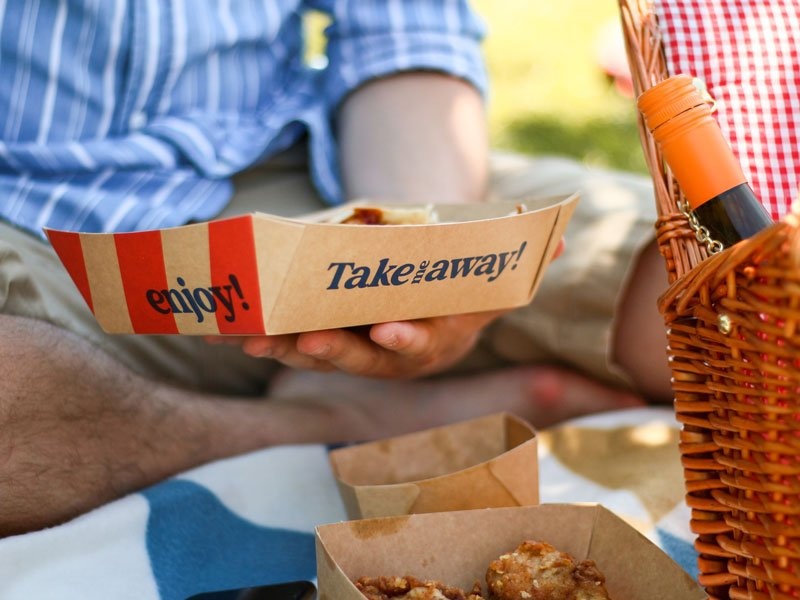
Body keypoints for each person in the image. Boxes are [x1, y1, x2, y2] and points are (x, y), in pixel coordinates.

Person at [0, 1, 670, 537]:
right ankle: (340, 424)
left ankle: (236, 419)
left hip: (299, 179)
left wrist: (423, 268)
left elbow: (404, 36)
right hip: (26, 226)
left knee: (711, 293)